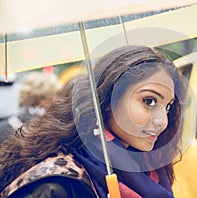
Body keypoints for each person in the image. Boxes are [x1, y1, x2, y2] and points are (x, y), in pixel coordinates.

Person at [0, 45, 186, 198]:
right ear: (107, 99)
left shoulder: (148, 172)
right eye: (149, 101)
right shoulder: (56, 186)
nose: (162, 121)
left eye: (168, 107)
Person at [0, 71, 62, 144]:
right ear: (42, 99)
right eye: (54, 96)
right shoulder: (49, 125)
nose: (57, 100)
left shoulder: (6, 125)